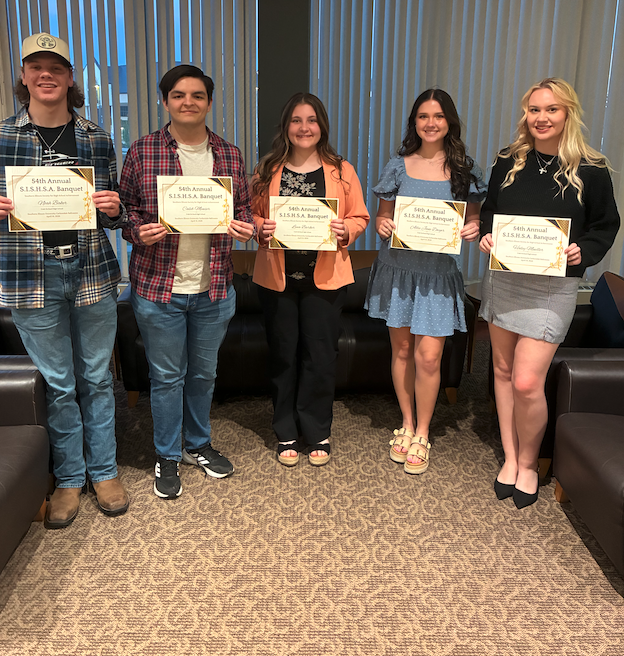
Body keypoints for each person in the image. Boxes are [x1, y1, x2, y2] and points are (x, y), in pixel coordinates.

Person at [0, 32, 129, 528]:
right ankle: (69, 479)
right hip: (28, 273)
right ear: (23, 75)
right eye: (35, 66)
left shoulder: (97, 136)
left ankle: (104, 471)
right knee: (58, 384)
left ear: (69, 76)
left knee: (97, 378)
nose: (45, 74)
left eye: (55, 66)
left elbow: (113, 207)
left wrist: (115, 207)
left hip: (92, 271)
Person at [479, 77, 619, 508]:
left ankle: (529, 460)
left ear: (568, 114)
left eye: (551, 110)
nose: (541, 118)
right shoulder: (509, 160)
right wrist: (486, 235)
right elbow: (488, 212)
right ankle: (510, 457)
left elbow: (605, 226)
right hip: (505, 279)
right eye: (534, 109)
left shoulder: (592, 168)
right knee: (502, 373)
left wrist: (584, 251)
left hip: (554, 286)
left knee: (526, 381)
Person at [120, 64, 254, 499]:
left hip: (214, 287)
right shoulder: (142, 152)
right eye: (178, 95)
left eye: (197, 95)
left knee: (204, 374)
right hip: (159, 288)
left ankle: (198, 444)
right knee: (166, 377)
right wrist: (137, 230)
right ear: (165, 101)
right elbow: (124, 211)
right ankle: (166, 454)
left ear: (209, 103)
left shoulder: (230, 155)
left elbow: (246, 212)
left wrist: (246, 227)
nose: (188, 102)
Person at [365, 89, 486, 475]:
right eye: (422, 116)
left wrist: (473, 227)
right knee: (401, 352)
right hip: (398, 270)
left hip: (437, 276)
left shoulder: (467, 170)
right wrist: (383, 224)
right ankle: (404, 421)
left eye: (437, 116)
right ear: (414, 122)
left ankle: (422, 431)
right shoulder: (398, 166)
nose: (430, 123)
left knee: (429, 357)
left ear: (450, 121)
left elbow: (475, 218)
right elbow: (382, 220)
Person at [251, 93, 369, 467]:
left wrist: (344, 228)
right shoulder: (267, 169)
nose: (305, 128)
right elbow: (249, 214)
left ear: (322, 126)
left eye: (312, 120)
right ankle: (285, 427)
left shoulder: (341, 170)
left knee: (320, 355)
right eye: (297, 120)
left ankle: (316, 429)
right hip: (277, 278)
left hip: (327, 278)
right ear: (286, 126)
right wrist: (260, 228)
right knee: (284, 354)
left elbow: (360, 217)